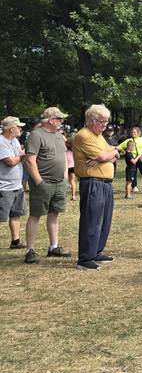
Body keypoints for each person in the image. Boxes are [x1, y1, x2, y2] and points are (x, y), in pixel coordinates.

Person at [72, 104, 119, 270]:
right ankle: (85, 258)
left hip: (105, 183)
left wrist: (107, 155)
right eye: (101, 122)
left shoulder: (99, 136)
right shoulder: (84, 135)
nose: (104, 126)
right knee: (91, 220)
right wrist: (105, 156)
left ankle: (96, 251)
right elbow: (104, 154)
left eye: (106, 122)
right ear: (91, 120)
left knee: (104, 220)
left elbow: (115, 153)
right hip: (92, 182)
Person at [24, 107, 71, 264]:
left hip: (59, 183)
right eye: (60, 119)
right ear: (51, 120)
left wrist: (65, 178)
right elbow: (30, 160)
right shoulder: (36, 135)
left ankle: (53, 247)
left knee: (54, 213)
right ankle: (30, 250)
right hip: (43, 183)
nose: (62, 122)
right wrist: (39, 182)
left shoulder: (58, 135)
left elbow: (63, 157)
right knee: (36, 215)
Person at [1, 116, 27, 250]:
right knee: (1, 216)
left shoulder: (15, 141)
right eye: (19, 127)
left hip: (16, 185)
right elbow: (10, 161)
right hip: (4, 187)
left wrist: (21, 156)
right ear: (11, 129)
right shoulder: (1, 141)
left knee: (15, 214)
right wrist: (23, 156)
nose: (20, 129)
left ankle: (15, 241)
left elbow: (18, 157)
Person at [116, 126, 142, 192]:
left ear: (138, 133)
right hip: (133, 159)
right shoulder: (129, 140)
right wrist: (124, 151)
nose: (133, 133)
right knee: (133, 172)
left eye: (134, 132)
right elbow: (119, 147)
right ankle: (134, 186)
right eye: (132, 132)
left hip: (141, 158)